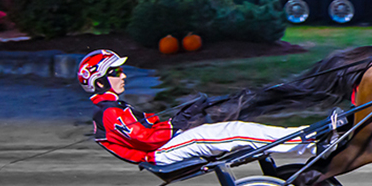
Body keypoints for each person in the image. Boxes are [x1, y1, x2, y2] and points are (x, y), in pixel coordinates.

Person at [78, 49, 313, 166]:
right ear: (99, 82)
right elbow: (146, 138)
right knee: (233, 132)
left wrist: (182, 117)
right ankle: (306, 142)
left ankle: (304, 137)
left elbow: (152, 127)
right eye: (116, 72)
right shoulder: (110, 113)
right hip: (160, 154)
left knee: (231, 128)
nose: (124, 76)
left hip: (165, 147)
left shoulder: (115, 108)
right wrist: (179, 124)